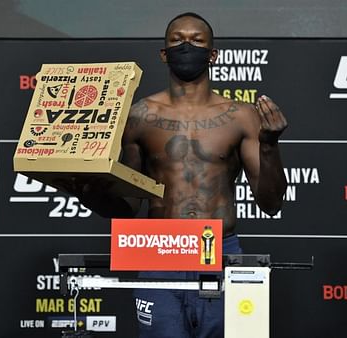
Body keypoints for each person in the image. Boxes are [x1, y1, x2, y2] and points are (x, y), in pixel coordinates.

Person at [76, 12, 288, 338]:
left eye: (197, 41)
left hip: (220, 252)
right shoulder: (139, 116)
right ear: (164, 53)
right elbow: (130, 205)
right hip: (159, 253)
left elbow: (271, 203)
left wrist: (270, 145)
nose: (186, 46)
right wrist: (90, 193)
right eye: (176, 40)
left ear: (213, 54)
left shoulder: (241, 116)